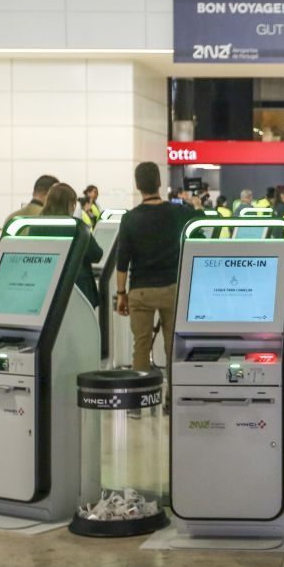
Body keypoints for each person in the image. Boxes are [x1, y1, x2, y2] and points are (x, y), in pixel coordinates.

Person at [115, 162, 200, 410]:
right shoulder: (177, 212)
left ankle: (138, 402)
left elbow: (122, 261)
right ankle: (171, 402)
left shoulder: (130, 219)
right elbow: (201, 222)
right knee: (173, 347)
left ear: (138, 185)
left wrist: (121, 294)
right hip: (171, 289)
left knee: (140, 346)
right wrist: (195, 204)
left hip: (140, 291)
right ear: (159, 183)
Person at [36, 183, 102, 309]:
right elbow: (96, 254)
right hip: (77, 289)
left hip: (44, 289)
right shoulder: (76, 227)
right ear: (69, 204)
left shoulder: (36, 225)